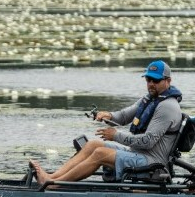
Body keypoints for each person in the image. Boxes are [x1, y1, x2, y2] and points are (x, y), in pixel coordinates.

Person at [31, 60, 182, 183]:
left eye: (156, 80)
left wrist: (116, 136)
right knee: (93, 145)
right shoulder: (151, 99)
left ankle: (55, 185)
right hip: (138, 153)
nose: (151, 84)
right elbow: (124, 116)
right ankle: (52, 177)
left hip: (153, 163)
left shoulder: (167, 107)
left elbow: (148, 141)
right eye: (148, 79)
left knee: (100, 154)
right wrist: (109, 115)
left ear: (168, 81)